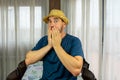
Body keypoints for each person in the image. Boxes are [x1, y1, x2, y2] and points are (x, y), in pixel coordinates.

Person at [7, 9, 84, 80]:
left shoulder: (74, 41)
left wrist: (57, 46)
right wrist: (49, 45)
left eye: (56, 21)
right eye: (50, 21)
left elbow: (76, 70)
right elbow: (28, 59)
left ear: (64, 24)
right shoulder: (44, 40)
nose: (52, 24)